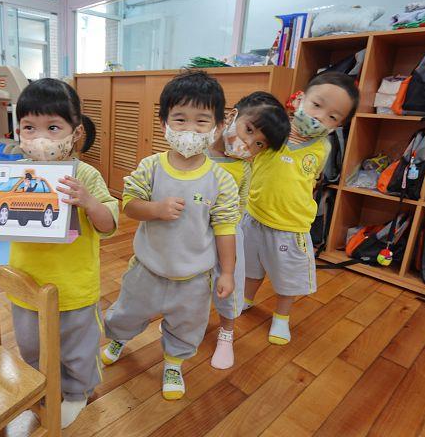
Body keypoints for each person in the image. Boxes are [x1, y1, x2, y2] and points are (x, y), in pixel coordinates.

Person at [0, 78, 118, 429]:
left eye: (53, 127)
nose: (40, 137)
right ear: (18, 130)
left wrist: (89, 202)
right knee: (31, 346)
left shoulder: (85, 175)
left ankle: (77, 392)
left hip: (73, 289)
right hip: (26, 286)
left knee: (77, 347)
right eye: (30, 127)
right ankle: (41, 388)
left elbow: (108, 224)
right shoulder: (15, 172)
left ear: (76, 132)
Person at [101, 70, 240, 400]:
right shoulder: (151, 166)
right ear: (164, 122)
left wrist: (228, 272)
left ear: (218, 126)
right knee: (127, 311)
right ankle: (119, 338)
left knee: (187, 324)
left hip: (194, 277)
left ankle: (174, 362)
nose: (189, 129)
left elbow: (225, 228)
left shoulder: (221, 179)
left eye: (201, 121)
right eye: (180, 119)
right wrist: (155, 209)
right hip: (147, 268)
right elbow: (129, 204)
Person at [242, 72, 360, 345]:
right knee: (250, 267)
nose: (320, 117)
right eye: (317, 105)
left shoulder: (322, 147)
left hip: (290, 226)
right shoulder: (274, 130)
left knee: (287, 277)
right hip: (255, 215)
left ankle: (281, 318)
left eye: (332, 116)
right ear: (300, 99)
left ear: (339, 124)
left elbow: (312, 178)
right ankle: (246, 298)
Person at [206, 91, 289, 369]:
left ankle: (226, 333)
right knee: (189, 283)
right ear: (233, 116)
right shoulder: (197, 149)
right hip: (192, 233)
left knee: (229, 286)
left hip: (227, 235)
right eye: (248, 129)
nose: (247, 143)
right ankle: (184, 321)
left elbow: (240, 207)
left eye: (258, 144)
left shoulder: (243, 169)